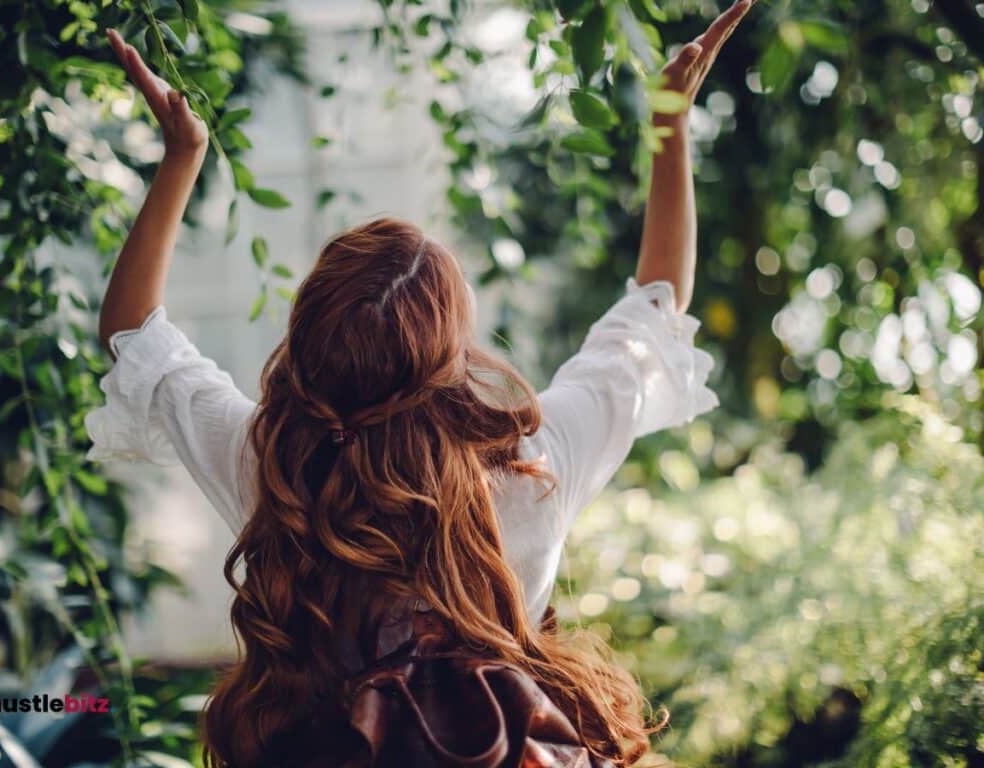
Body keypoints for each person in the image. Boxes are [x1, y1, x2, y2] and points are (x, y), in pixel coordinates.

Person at [89, 3, 751, 766]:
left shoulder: (273, 461)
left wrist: (181, 156)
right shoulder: (533, 462)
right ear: (451, 352)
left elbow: (132, 331)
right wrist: (669, 126)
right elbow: (657, 301)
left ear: (307, 339)